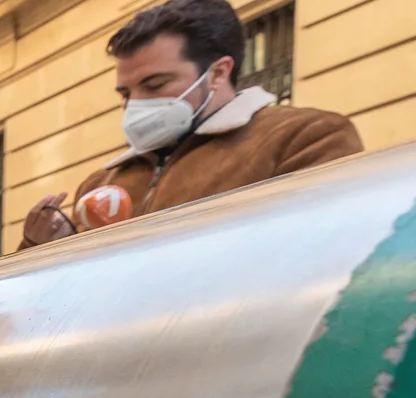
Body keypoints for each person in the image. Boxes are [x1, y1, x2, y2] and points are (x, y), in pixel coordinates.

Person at [21, 0, 361, 250]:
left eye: (154, 85)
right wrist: (48, 247)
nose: (135, 103)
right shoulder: (103, 181)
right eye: (125, 92)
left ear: (217, 73)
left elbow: (325, 256)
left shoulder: (304, 138)